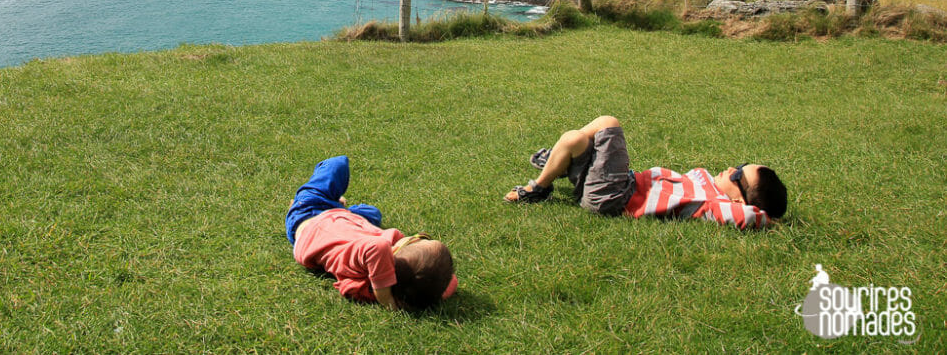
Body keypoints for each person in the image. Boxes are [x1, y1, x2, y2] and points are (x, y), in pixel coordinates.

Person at [503, 116, 787, 229]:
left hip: (616, 196)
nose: (731, 169)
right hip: (612, 187)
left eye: (738, 176)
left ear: (738, 200)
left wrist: (770, 220)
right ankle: (555, 166)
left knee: (608, 123)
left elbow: (749, 216)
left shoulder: (713, 204)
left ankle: (541, 184)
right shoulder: (705, 180)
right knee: (574, 139)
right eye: (739, 166)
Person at [285, 155, 458, 310]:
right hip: (344, 224)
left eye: (417, 239)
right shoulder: (375, 286)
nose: (413, 236)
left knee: (337, 164)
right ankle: (339, 206)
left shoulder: (374, 254)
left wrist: (387, 300)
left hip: (308, 217)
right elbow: (449, 282)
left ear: (393, 254)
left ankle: (309, 203)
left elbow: (377, 248)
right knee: (372, 213)